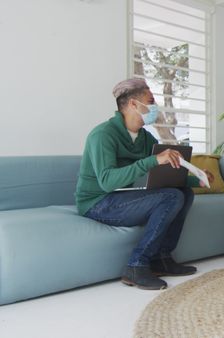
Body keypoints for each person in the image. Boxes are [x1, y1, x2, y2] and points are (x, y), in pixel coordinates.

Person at [75, 78, 213, 290]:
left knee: (184, 192)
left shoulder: (145, 138)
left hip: (124, 195)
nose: (154, 107)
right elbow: (107, 182)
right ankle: (136, 265)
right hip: (98, 202)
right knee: (171, 196)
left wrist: (198, 178)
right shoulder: (102, 135)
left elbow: (162, 175)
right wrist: (153, 160)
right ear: (132, 104)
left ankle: (161, 258)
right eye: (150, 102)